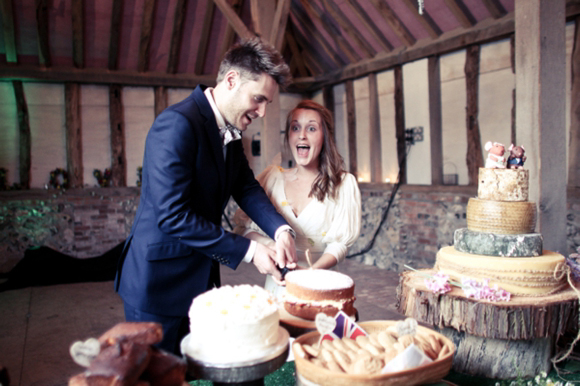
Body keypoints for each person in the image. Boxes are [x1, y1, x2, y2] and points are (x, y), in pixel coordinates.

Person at [115, 38, 297, 355]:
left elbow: (246, 187)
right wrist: (252, 251)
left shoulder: (230, 131)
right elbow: (172, 217)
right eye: (258, 99)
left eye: (267, 102)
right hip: (159, 285)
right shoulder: (176, 124)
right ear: (230, 80)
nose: (263, 112)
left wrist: (280, 230)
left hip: (200, 281)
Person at [234, 100, 362, 295]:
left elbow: (340, 244)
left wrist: (311, 274)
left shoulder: (343, 184)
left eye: (311, 128)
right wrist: (271, 245)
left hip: (320, 283)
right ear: (289, 136)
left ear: (324, 137)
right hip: (278, 285)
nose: (302, 135)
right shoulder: (272, 178)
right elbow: (243, 229)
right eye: (295, 128)